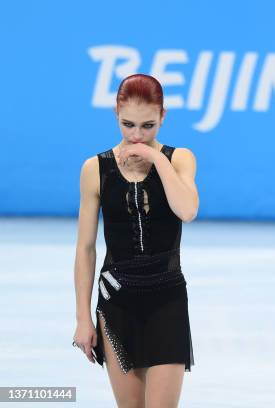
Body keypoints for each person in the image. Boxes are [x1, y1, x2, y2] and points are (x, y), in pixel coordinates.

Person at [72, 73, 198, 408]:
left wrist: (157, 159)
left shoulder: (180, 159)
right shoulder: (94, 169)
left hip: (167, 301)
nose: (137, 135)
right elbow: (85, 249)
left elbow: (187, 210)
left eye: (148, 126)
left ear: (163, 117)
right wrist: (83, 319)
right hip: (116, 304)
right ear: (115, 114)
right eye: (128, 125)